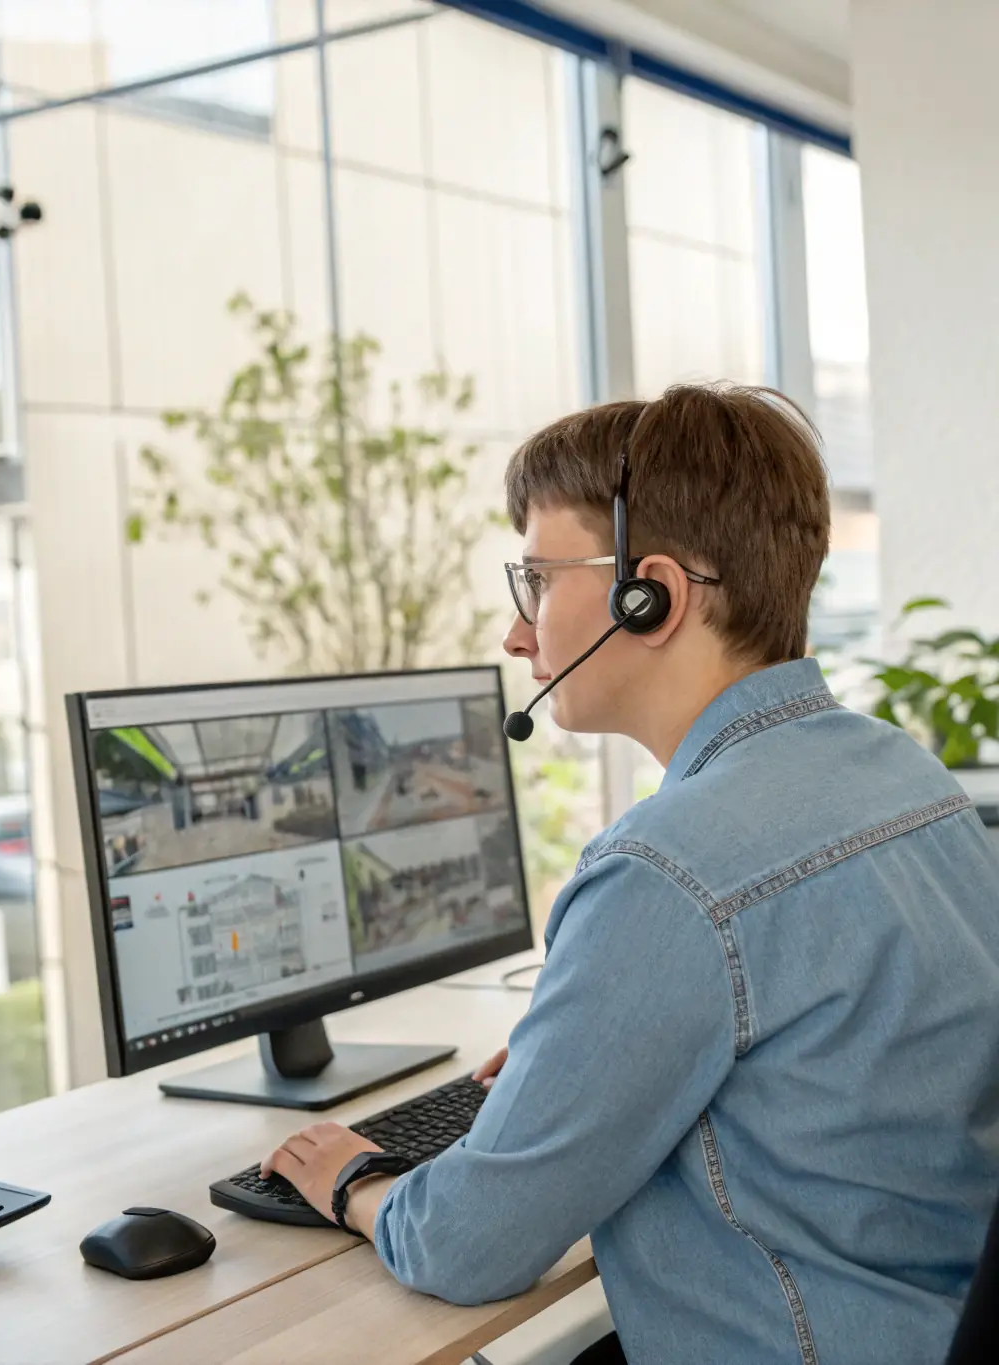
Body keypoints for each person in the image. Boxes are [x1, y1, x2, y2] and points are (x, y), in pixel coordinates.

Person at [261, 386, 999, 1365]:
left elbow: (465, 1245)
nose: (517, 634)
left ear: (647, 594)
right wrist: (576, 1064)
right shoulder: (903, 775)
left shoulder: (666, 874)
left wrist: (354, 1178)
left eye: (536, 582)